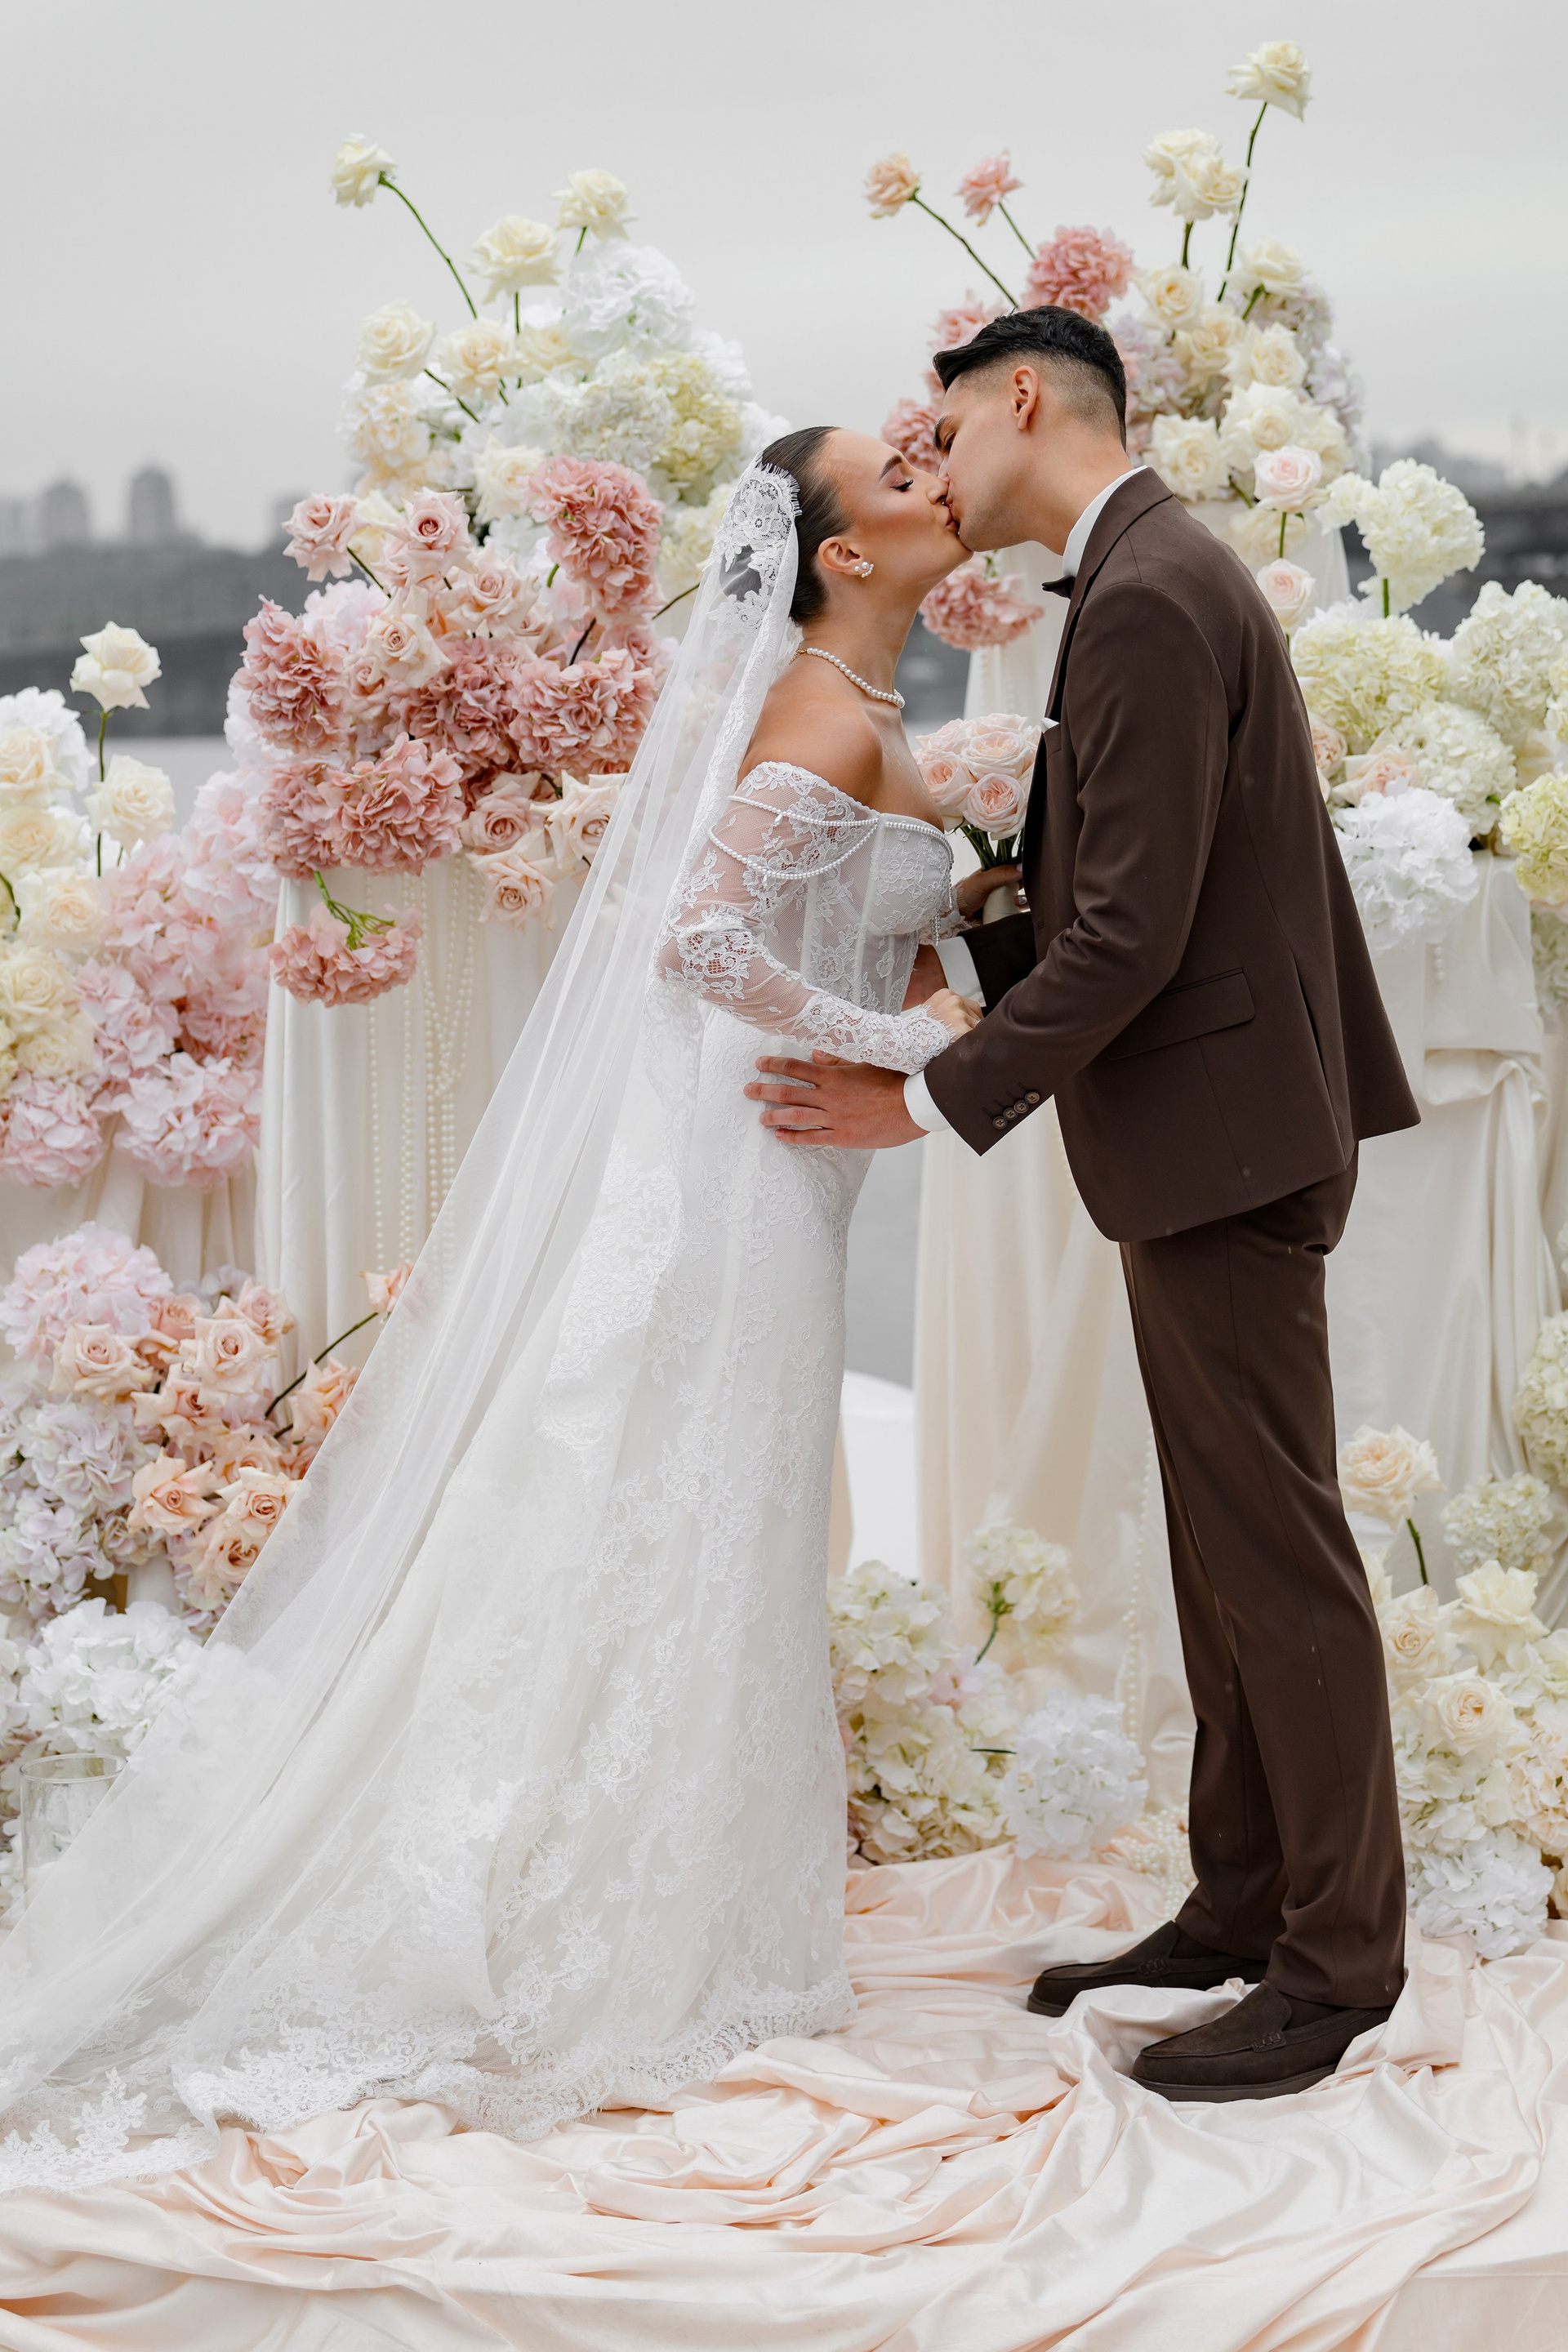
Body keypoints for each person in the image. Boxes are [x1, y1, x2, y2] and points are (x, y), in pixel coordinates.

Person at [0, 437, 996, 2189]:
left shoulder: (855, 698)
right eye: (898, 475)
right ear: (842, 556)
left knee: (714, 1510)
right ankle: (599, 1913)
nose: (938, 474)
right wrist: (906, 1047)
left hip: (773, 1162)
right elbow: (703, 940)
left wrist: (957, 938)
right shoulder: (823, 715)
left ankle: (687, 1891)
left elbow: (832, 907)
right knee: (690, 1504)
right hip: (738, 1167)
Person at [746, 306, 1422, 2104]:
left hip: (1228, 1138)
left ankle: (1338, 1967)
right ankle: (1244, 1899)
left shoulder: (1147, 595)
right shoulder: (1154, 572)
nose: (939, 470)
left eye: (946, 433)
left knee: (1273, 1553)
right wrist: (974, 944)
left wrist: (921, 1097)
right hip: (1224, 1127)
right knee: (1223, 1544)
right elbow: (1145, 884)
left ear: (1025, 400)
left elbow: (1130, 934)